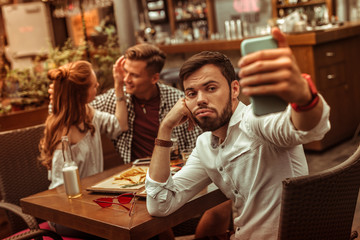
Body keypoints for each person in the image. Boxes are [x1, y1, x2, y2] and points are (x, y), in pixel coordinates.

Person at [145, 28, 331, 239]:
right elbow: (160, 203)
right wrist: (165, 128)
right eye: (191, 93)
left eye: (211, 88)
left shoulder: (255, 120)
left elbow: (307, 128)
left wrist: (305, 98)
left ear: (234, 89)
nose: (200, 99)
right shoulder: (205, 145)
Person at [47, 44, 231, 239]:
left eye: (134, 75)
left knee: (221, 204)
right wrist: (59, 93)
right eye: (125, 72)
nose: (126, 79)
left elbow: (198, 146)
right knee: (151, 212)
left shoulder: (178, 100)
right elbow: (68, 108)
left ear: (154, 78)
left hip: (175, 174)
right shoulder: (115, 100)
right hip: (132, 184)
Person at [39, 60, 127, 239]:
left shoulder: (88, 113)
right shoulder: (63, 135)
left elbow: (119, 126)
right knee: (122, 224)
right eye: (94, 86)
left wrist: (118, 85)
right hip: (67, 215)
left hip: (92, 204)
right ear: (79, 94)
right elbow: (59, 191)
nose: (98, 87)